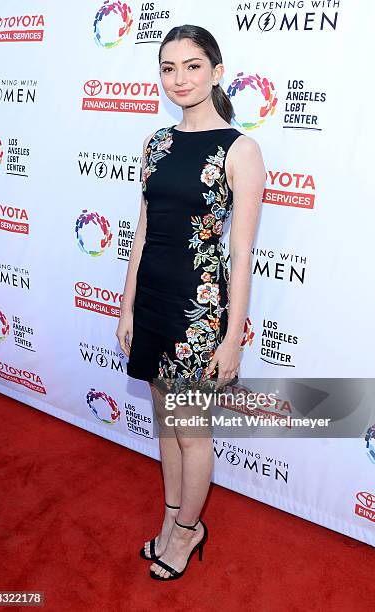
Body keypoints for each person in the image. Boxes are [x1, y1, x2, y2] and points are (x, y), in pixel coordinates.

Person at [116, 24, 266, 581]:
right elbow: (142, 230)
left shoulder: (240, 149)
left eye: (193, 66)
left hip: (198, 309)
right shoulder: (157, 143)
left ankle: (187, 532)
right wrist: (127, 305)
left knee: (191, 428)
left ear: (217, 71)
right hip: (153, 296)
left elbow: (243, 253)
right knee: (164, 419)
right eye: (169, 68)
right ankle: (173, 515)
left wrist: (232, 337)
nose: (180, 79)